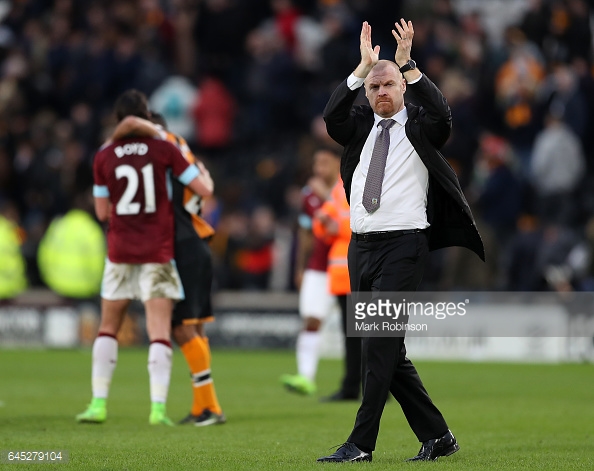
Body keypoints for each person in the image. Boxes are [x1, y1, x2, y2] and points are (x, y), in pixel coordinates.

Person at [317, 20, 484, 463]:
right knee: (389, 351)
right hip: (361, 248)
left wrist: (409, 66)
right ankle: (439, 436)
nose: (380, 92)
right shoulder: (359, 130)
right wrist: (360, 68)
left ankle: (360, 444)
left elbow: (445, 115)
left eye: (388, 84)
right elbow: (332, 116)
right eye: (374, 87)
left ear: (402, 88)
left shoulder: (422, 128)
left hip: (403, 246)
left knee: (377, 345)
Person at [76, 90, 213, 426]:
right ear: (147, 116)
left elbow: (100, 211)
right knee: (159, 332)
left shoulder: (104, 154)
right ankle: (157, 410)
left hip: (120, 249)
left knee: (107, 328)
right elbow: (203, 189)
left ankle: (97, 404)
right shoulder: (165, 148)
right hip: (158, 249)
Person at [110, 112, 225, 426]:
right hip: (197, 242)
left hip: (180, 245)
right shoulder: (188, 158)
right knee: (194, 328)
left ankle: (210, 407)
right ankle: (205, 405)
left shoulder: (161, 155)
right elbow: (207, 191)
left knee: (180, 327)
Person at [280, 147, 340, 396]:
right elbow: (305, 233)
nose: (319, 169)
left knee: (363, 326)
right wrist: (300, 267)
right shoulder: (308, 195)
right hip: (318, 267)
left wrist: (326, 194)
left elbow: (343, 220)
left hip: (349, 266)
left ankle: (374, 380)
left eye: (325, 163)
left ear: (338, 163)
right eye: (317, 163)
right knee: (312, 320)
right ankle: (305, 377)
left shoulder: (351, 185)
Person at [312, 178, 361, 402]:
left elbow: (373, 224)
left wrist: (335, 227)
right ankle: (359, 386)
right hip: (346, 274)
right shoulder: (342, 185)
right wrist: (325, 223)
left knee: (370, 335)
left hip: (362, 268)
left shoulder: (352, 182)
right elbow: (320, 223)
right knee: (357, 335)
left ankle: (362, 386)